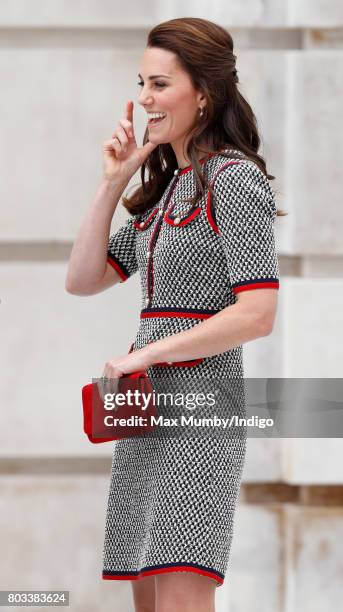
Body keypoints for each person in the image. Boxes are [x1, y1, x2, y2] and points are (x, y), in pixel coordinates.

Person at [65, 16, 281, 612]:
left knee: (182, 598)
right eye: (142, 83)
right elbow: (82, 280)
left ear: (204, 93)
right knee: (146, 600)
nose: (144, 99)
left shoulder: (233, 180)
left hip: (201, 418)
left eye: (159, 85)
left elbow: (258, 312)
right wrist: (115, 180)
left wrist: (147, 352)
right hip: (144, 415)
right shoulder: (167, 192)